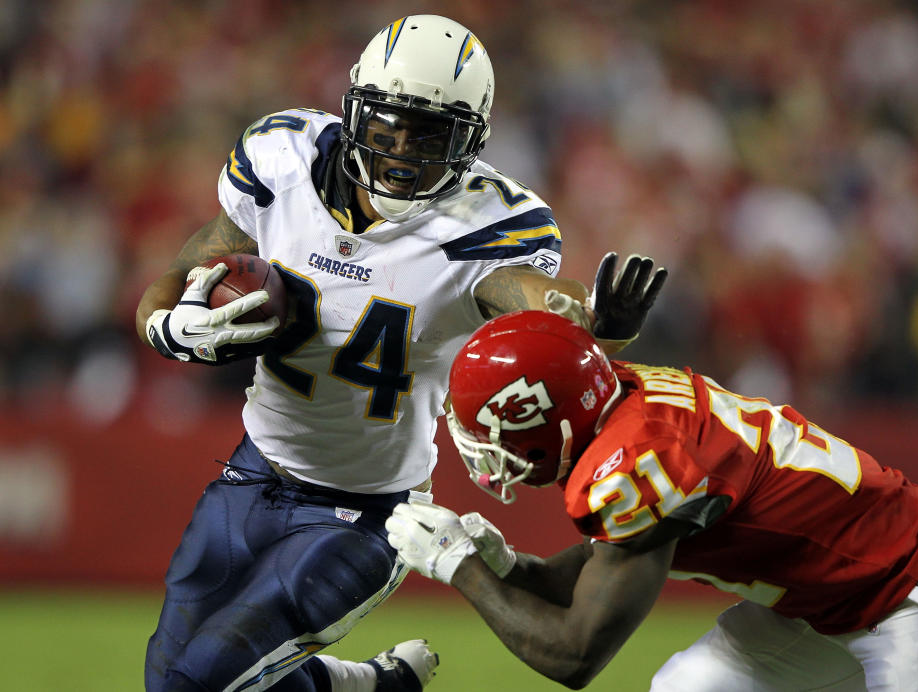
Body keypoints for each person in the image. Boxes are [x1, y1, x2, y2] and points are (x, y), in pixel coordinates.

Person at [134, 14, 665, 692]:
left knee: (198, 685)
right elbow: (185, 273)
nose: (405, 151)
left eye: (431, 135)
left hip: (365, 514)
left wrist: (599, 322)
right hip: (250, 473)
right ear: (356, 109)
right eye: (389, 126)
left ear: (468, 143)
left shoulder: (481, 227)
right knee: (170, 680)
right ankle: (371, 687)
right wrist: (167, 328)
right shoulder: (285, 159)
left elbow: (545, 307)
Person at [385, 309, 918, 691]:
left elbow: (575, 655)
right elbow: (598, 569)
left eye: (492, 432)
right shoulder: (623, 401)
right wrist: (507, 568)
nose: (487, 449)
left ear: (548, 422)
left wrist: (456, 565)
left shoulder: (638, 465)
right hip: (832, 598)